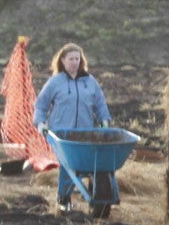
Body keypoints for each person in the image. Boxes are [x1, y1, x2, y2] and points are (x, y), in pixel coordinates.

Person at [33, 44, 115, 210]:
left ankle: (98, 193)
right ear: (63, 61)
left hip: (85, 133)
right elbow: (40, 106)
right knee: (68, 165)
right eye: (71, 59)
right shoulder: (55, 82)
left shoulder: (90, 82)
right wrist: (40, 124)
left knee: (93, 164)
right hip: (62, 134)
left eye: (77, 59)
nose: (74, 62)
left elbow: (100, 104)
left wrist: (104, 120)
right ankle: (64, 198)